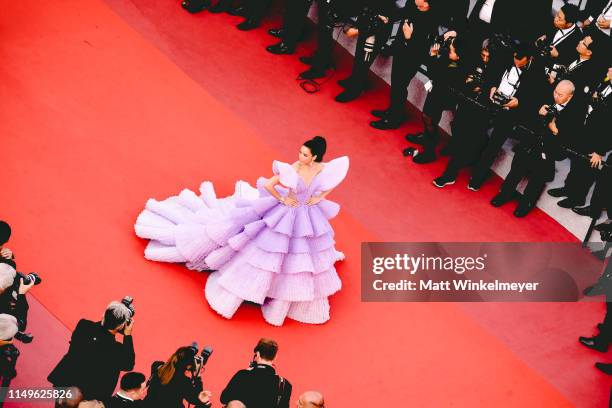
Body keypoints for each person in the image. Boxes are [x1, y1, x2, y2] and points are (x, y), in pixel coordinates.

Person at [134, 136, 349, 326]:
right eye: (300, 152)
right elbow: (269, 185)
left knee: (298, 252)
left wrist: (319, 198)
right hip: (285, 213)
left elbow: (331, 183)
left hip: (305, 215)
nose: (300, 156)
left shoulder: (320, 169)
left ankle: (279, 291)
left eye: (304, 154)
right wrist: (283, 198)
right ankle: (252, 286)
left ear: (314, 157)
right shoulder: (294, 168)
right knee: (268, 249)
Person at [489, 80, 585, 217]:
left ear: (569, 97)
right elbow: (528, 112)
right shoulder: (547, 96)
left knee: (537, 179)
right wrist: (538, 114)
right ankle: (504, 194)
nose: (556, 96)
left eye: (560, 95)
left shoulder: (577, 111)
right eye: (555, 92)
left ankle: (526, 203)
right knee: (516, 168)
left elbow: (572, 137)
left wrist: (555, 129)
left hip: (550, 148)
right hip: (531, 140)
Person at [370, 0, 440, 130]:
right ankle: (391, 111)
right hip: (400, 49)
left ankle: (393, 119)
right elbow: (401, 13)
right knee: (396, 83)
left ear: (426, 4)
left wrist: (408, 38)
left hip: (412, 57)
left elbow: (420, 49)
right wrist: (387, 17)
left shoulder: (430, 21)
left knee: (400, 86)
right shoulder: (413, 6)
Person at [48, 301, 136, 401]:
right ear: (121, 326)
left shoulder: (83, 326)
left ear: (104, 315)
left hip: (64, 383)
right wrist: (127, 335)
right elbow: (129, 364)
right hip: (89, 397)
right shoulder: (117, 350)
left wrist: (114, 314)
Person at [553, 66, 612, 210]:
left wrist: (600, 151)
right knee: (576, 161)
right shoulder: (604, 84)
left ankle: (577, 198)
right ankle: (568, 188)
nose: (609, 68)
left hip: (599, 138)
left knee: (586, 170)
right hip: (586, 130)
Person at [405, 35, 466, 164]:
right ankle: (426, 138)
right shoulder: (448, 59)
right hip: (436, 91)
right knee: (428, 117)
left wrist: (433, 55)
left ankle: (429, 151)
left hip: (443, 95)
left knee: (429, 118)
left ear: (458, 56)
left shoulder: (455, 67)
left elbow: (434, 73)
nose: (447, 50)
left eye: (451, 50)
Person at [220, 338, 292, 408]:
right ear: (275, 357)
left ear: (257, 354)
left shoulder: (242, 375)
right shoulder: (285, 385)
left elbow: (223, 399)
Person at [145, 346, 212, 408]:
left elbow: (169, 366)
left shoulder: (157, 366)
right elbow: (196, 398)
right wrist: (198, 375)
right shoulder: (184, 382)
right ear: (188, 366)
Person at [535, 4, 582, 68]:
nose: (555, 19)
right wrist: (541, 38)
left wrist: (558, 56)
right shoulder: (552, 21)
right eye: (557, 14)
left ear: (569, 23)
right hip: (536, 58)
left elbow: (569, 63)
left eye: (560, 18)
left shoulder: (577, 38)